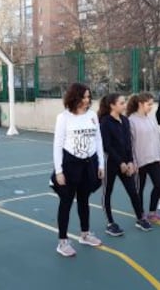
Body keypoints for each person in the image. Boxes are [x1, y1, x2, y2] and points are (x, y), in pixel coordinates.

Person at [52, 83, 105, 257]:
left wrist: (100, 164)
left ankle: (85, 234)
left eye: (89, 96)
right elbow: (58, 145)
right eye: (84, 97)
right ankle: (62, 242)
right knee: (66, 202)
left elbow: (98, 140)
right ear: (75, 97)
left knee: (84, 199)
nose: (87, 100)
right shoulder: (64, 117)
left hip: (88, 164)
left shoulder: (92, 116)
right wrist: (59, 171)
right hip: (70, 164)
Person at [98, 94, 152, 236]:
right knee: (107, 192)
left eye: (124, 102)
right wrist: (120, 162)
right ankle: (110, 223)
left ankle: (140, 218)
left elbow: (128, 143)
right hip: (111, 163)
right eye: (121, 103)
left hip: (126, 164)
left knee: (133, 191)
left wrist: (130, 161)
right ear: (112, 105)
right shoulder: (105, 122)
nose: (124, 105)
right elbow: (107, 146)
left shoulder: (125, 120)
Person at [127, 93, 160, 223]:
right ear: (140, 104)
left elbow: (158, 137)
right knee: (139, 189)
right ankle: (140, 215)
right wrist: (134, 162)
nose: (151, 107)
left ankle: (152, 213)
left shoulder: (151, 118)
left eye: (152, 104)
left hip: (154, 158)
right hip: (140, 162)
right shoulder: (131, 120)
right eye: (149, 104)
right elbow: (130, 144)